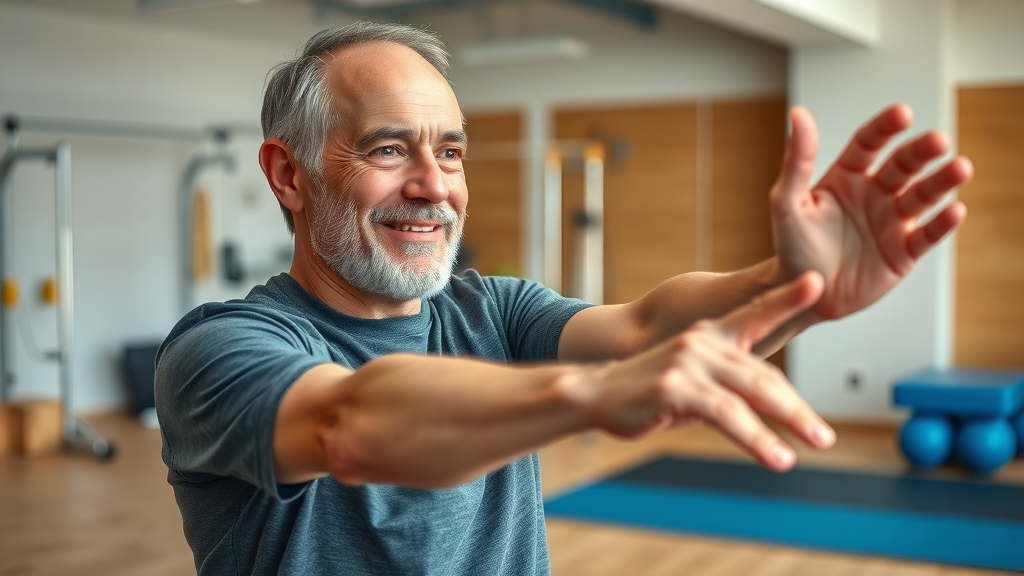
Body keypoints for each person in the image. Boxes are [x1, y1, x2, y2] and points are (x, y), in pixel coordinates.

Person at [154, 21, 973, 576]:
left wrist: (792, 283)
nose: (434, 186)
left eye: (451, 152)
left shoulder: (491, 310)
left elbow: (648, 325)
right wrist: (592, 394)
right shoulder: (220, 351)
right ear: (288, 175)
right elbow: (354, 424)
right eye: (389, 148)